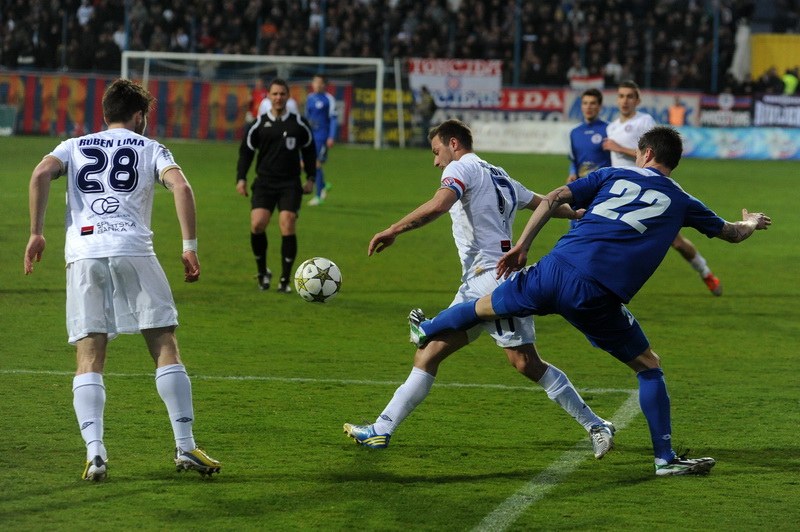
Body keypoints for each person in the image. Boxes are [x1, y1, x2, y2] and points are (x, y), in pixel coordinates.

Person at [408, 126, 771, 476]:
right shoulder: (682, 200)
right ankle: (665, 459)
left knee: (481, 307)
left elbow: (553, 197)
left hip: (552, 271)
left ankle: (426, 328)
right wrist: (753, 222)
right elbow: (732, 233)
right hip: (596, 294)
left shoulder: (612, 174)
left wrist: (523, 246)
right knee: (649, 366)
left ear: (646, 154)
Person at [343, 119, 616, 459]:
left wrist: (394, 229)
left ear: (453, 144)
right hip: (479, 280)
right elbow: (542, 202)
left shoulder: (461, 168)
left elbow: (439, 205)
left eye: (437, 151)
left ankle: (595, 425)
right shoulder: (499, 173)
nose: (436, 161)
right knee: (428, 354)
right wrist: (576, 213)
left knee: (526, 362)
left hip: (493, 278)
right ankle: (381, 430)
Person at [23, 78, 221, 481]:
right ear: (138, 116)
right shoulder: (150, 148)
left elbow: (41, 172)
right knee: (163, 343)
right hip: (133, 249)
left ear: (104, 114)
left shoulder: (73, 146)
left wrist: (36, 232)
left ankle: (95, 452)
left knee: (89, 355)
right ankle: (185, 446)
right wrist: (189, 246)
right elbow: (181, 186)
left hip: (84, 255)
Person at [604, 80, 722, 296]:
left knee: (676, 243)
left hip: (647, 191)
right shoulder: (611, 127)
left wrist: (619, 148)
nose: (625, 100)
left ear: (637, 100)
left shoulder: (644, 121)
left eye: (630, 96)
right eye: (621, 96)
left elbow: (656, 154)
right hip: (622, 193)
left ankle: (705, 272)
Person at [236, 77, 316, 293]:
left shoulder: (299, 124)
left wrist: (311, 178)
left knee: (287, 223)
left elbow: (309, 151)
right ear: (268, 97)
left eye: (282, 94)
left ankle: (285, 280)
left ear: (288, 96)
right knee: (257, 225)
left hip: (290, 183)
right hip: (264, 182)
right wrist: (241, 178)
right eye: (275, 94)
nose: (278, 97)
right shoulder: (258, 124)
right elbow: (246, 153)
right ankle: (263, 273)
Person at [305, 74, 338, 206]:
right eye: (316, 82)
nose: (318, 85)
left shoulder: (329, 99)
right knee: (305, 163)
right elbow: (307, 116)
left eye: (320, 82)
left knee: (315, 163)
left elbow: (333, 119)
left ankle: (318, 196)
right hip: (310, 134)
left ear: (325, 85)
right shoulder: (310, 98)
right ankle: (323, 185)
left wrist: (331, 136)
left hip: (321, 135)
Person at [567, 88, 611, 184]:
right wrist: (573, 173)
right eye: (585, 103)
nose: (588, 107)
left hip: (604, 183)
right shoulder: (575, 132)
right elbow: (574, 160)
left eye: (592, 103)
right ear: (581, 106)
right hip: (582, 183)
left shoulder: (610, 129)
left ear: (600, 107)